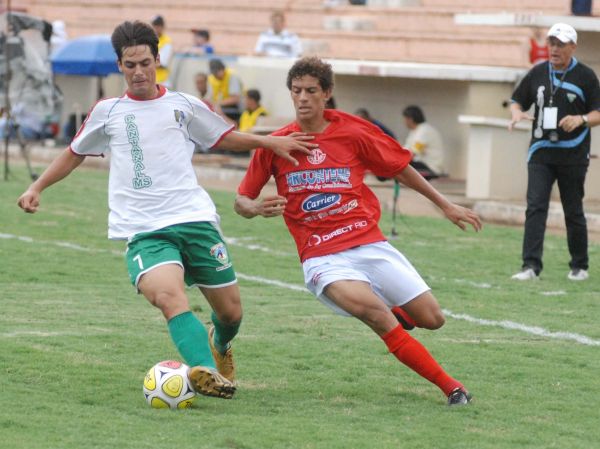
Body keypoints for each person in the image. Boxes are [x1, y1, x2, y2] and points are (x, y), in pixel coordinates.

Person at [17, 20, 316, 399]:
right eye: (130, 65)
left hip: (194, 219)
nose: (139, 72)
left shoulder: (183, 105)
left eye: (145, 63)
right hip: (144, 229)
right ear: (119, 65)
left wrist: (269, 142)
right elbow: (73, 153)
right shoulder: (108, 111)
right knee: (168, 297)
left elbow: (224, 137)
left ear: (157, 60)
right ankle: (205, 370)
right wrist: (37, 186)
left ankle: (219, 344)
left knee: (231, 314)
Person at [234, 57, 482, 406]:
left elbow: (400, 168)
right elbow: (241, 200)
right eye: (296, 90)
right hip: (321, 255)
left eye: (311, 90)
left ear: (327, 93)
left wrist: (445, 205)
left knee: (433, 318)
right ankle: (452, 388)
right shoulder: (276, 144)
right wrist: (254, 208)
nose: (302, 98)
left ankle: (401, 314)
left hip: (367, 243)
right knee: (376, 315)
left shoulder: (353, 132)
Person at [509, 23, 600, 282]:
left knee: (573, 210)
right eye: (552, 43)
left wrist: (581, 119)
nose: (554, 49)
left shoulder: (586, 76)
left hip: (573, 154)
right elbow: (517, 100)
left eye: (560, 44)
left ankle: (579, 266)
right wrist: (516, 114)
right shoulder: (538, 72)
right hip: (540, 151)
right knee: (535, 207)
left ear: (573, 47)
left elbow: (597, 113)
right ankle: (530, 266)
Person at [402, 105, 446, 178]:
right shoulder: (415, 131)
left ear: (410, 119)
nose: (404, 122)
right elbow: (406, 150)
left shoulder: (424, 130)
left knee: (404, 165)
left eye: (405, 119)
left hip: (431, 168)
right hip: (423, 164)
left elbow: (413, 152)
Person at [206, 58, 244, 122]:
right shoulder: (211, 78)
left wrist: (218, 104)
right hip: (221, 107)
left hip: (235, 109)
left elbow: (235, 99)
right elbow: (209, 97)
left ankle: (231, 124)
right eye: (213, 73)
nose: (215, 75)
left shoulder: (232, 76)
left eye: (216, 73)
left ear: (222, 69)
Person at [150, 15, 172, 85]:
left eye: (157, 26)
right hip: (151, 80)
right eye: (154, 26)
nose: (155, 28)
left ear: (162, 27)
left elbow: (161, 63)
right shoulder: (150, 39)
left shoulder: (167, 42)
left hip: (162, 81)